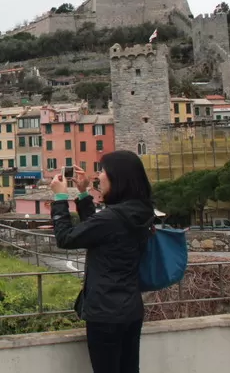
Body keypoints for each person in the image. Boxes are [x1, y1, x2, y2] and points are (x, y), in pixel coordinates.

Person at [49, 151, 155, 373]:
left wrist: (60, 199)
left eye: (103, 170)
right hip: (131, 310)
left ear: (118, 177)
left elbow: (66, 238)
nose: (98, 176)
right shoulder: (140, 212)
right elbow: (97, 232)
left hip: (105, 313)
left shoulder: (112, 217)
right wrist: (83, 194)